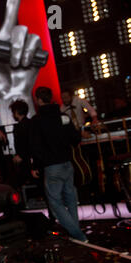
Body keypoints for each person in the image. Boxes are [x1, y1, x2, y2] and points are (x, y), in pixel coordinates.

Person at [30, 87, 88, 242]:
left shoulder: (36, 121)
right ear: (51, 98)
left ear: (38, 100)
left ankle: (77, 234)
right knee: (70, 199)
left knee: (56, 203)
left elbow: (35, 146)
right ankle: (75, 231)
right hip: (67, 163)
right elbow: (75, 138)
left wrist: (35, 165)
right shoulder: (63, 117)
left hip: (51, 166)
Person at [10, 100, 32, 186]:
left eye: (13, 112)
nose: (12, 115)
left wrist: (21, 156)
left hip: (25, 160)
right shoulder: (31, 123)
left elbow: (25, 143)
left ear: (16, 112)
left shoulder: (20, 127)